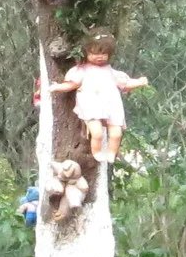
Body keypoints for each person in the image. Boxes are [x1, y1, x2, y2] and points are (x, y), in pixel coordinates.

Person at [50, 36, 147, 164]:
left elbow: (125, 83)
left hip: (111, 106)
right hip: (91, 106)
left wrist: (139, 82)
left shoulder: (111, 71)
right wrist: (58, 87)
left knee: (116, 133)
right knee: (97, 133)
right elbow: (72, 84)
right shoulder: (82, 70)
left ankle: (112, 152)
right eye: (94, 53)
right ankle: (96, 152)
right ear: (87, 53)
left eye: (103, 53)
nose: (99, 56)